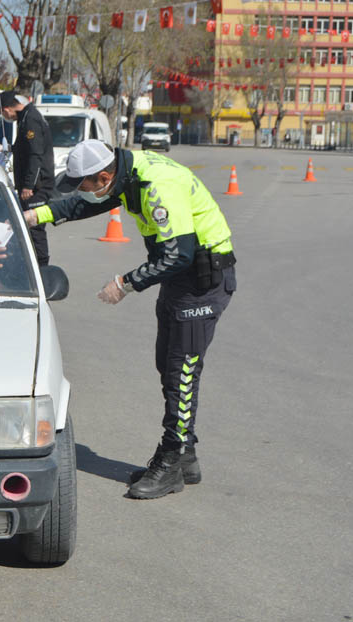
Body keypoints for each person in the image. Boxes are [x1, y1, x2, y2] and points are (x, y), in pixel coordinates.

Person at [23, 139, 236, 500]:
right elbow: (83, 203)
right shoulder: (126, 174)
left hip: (200, 281)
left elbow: (179, 255)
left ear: (104, 175)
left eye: (85, 183)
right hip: (181, 280)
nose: (84, 191)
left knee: (181, 371)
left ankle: (170, 461)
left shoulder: (156, 186)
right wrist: (36, 215)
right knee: (167, 365)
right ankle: (186, 455)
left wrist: (125, 283)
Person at [0, 90, 56, 266]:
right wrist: (8, 149)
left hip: (37, 185)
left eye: (1, 113)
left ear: (6, 109)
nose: (3, 116)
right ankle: (32, 262)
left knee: (35, 225)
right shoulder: (25, 117)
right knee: (28, 225)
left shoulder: (31, 119)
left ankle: (41, 266)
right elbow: (25, 148)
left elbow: (36, 154)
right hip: (34, 184)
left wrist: (29, 185)